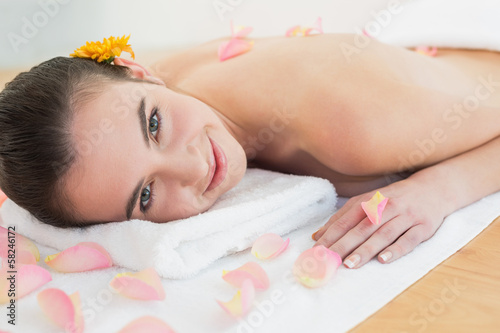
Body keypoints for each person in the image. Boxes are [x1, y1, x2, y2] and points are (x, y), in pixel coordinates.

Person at [1, 33, 499, 270]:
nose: (193, 166)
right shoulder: (161, 83)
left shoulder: (356, 121)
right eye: (146, 195)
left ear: (136, 70)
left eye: (154, 125)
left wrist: (439, 188)